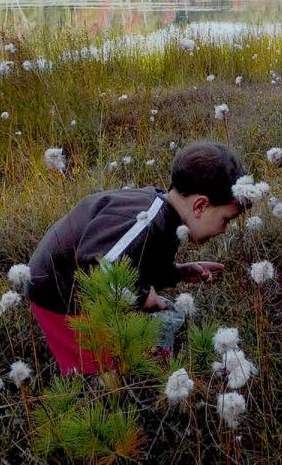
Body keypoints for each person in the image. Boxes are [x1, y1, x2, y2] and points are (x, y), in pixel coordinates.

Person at [26, 141, 248, 375]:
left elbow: (133, 262)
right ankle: (104, 389)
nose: (224, 230)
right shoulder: (146, 219)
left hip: (83, 289)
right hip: (60, 294)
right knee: (98, 369)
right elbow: (95, 262)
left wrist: (177, 272)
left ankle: (143, 374)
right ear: (200, 206)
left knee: (128, 351)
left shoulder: (167, 216)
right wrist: (139, 295)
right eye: (225, 220)